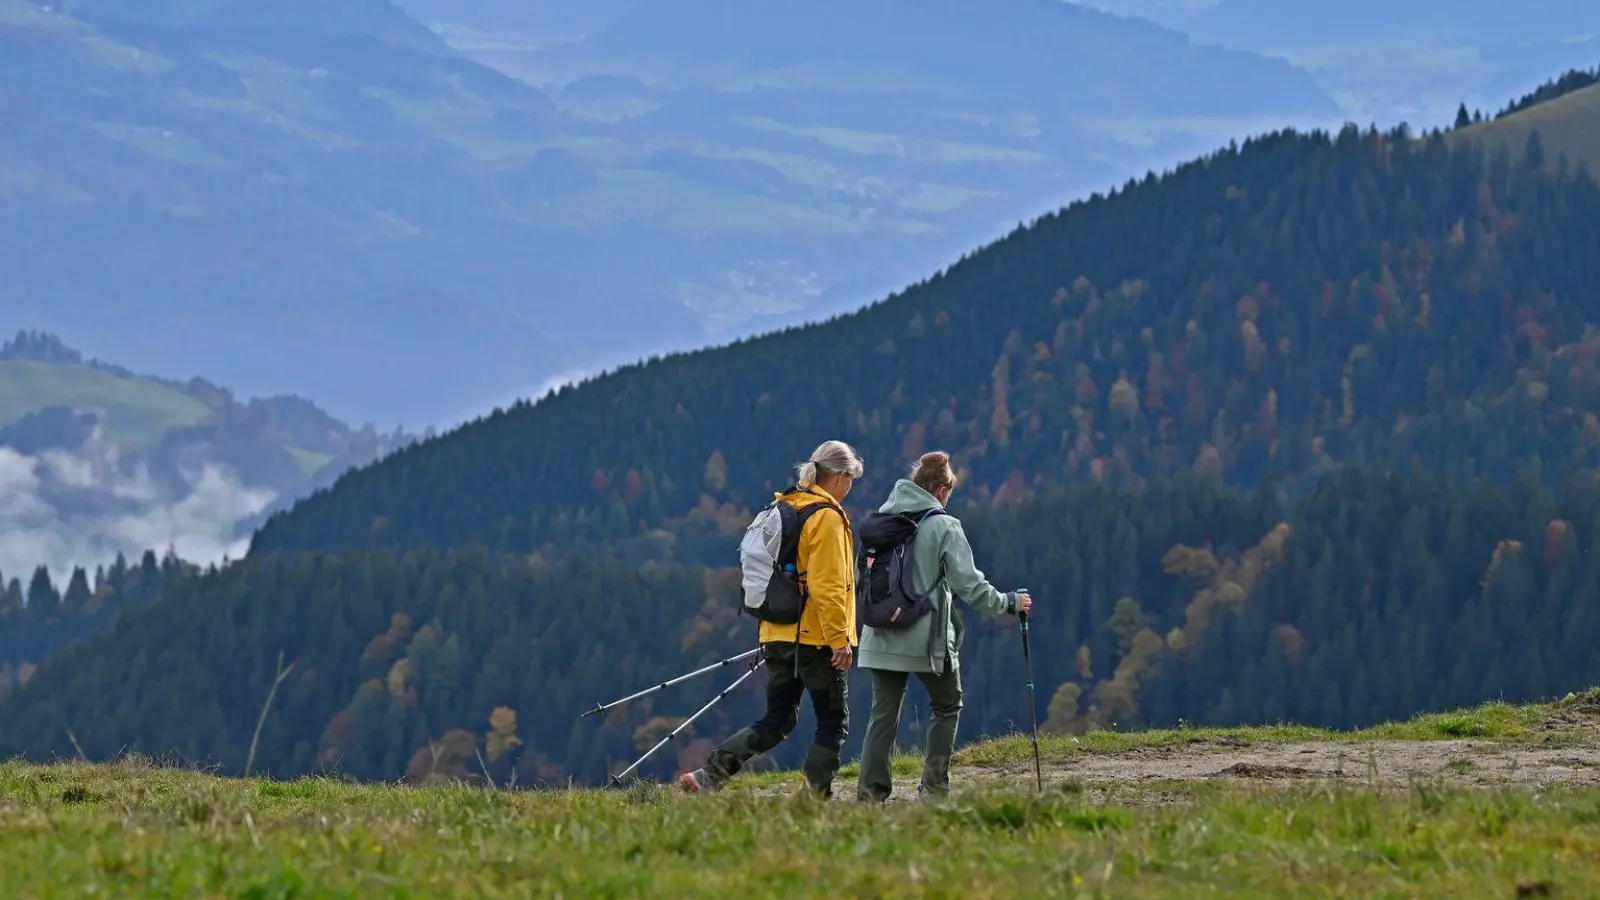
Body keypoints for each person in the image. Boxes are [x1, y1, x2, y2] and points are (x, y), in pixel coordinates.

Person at [680, 439, 863, 797]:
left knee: (778, 719)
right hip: (816, 639)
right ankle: (815, 798)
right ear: (839, 476)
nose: (850, 486)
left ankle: (709, 775)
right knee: (833, 721)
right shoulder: (826, 517)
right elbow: (829, 585)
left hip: (775, 633)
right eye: (851, 478)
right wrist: (840, 638)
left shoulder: (788, 505)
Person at [855, 451, 1032, 803]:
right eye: (949, 491)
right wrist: (1008, 602)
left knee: (883, 714)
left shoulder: (882, 519)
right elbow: (970, 585)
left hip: (879, 633)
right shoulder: (944, 526)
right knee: (947, 704)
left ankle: (870, 795)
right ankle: (934, 790)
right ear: (939, 489)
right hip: (925, 639)